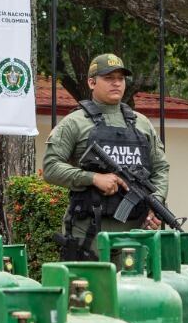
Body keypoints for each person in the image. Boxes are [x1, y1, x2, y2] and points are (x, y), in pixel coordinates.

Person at [42, 53, 171, 261]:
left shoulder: (142, 124)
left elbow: (161, 168)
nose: (117, 84)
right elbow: (50, 167)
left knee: (135, 292)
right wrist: (93, 178)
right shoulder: (74, 123)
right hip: (88, 231)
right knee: (89, 290)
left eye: (120, 79)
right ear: (92, 82)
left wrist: (155, 204)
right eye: (109, 78)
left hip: (134, 233)